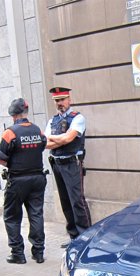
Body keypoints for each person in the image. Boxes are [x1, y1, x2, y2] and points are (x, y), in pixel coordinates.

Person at [0, 98, 48, 264]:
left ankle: (18, 254)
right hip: (38, 178)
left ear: (13, 115)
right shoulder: (37, 130)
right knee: (36, 214)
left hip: (18, 180)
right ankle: (38, 252)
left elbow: (2, 160)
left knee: (11, 216)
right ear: (26, 112)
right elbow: (42, 146)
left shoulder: (10, 132)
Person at [45, 87, 92, 248]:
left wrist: (56, 139)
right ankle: (73, 237)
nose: (60, 103)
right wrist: (60, 139)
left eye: (62, 100)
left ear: (69, 100)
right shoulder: (53, 120)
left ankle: (85, 237)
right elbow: (45, 143)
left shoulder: (77, 118)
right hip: (57, 163)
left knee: (77, 200)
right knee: (65, 201)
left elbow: (68, 138)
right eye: (57, 101)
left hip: (72, 162)